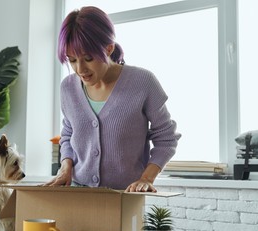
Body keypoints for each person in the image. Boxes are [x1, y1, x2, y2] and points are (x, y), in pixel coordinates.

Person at [45, 6, 181, 192]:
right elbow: (68, 133)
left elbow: (166, 137)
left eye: (88, 58)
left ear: (108, 48)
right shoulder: (68, 87)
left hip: (126, 196)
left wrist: (146, 179)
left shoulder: (143, 82)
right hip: (76, 193)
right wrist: (65, 166)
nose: (80, 69)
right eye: (72, 60)